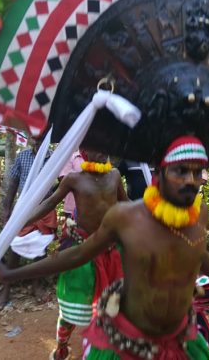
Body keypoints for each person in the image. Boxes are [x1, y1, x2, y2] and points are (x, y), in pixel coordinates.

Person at [0, 136, 209, 359]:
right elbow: (76, 252)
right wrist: (11, 267)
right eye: (181, 170)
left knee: (101, 301)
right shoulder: (118, 212)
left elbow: (198, 254)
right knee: (74, 307)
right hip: (124, 336)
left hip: (179, 338)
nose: (192, 180)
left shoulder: (197, 213)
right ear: (159, 172)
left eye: (197, 172)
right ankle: (63, 343)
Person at [22, 148, 128, 360]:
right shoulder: (73, 179)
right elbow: (51, 203)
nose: (102, 151)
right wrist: (22, 221)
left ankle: (112, 348)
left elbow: (126, 203)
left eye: (104, 145)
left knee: (117, 305)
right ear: (84, 151)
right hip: (83, 250)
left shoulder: (114, 175)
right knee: (73, 305)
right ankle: (62, 347)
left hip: (111, 251)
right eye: (95, 146)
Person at [0, 135, 56, 311]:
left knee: (40, 249)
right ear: (30, 139)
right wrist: (6, 210)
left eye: (41, 139)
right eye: (35, 139)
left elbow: (62, 184)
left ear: (47, 140)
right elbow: (13, 184)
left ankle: (36, 286)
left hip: (44, 208)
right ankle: (6, 288)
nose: (37, 142)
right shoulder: (22, 157)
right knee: (16, 247)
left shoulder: (55, 158)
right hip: (23, 208)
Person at [58, 150, 84, 218]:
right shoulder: (71, 157)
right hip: (72, 206)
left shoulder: (96, 157)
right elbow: (63, 179)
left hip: (93, 207)